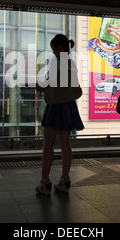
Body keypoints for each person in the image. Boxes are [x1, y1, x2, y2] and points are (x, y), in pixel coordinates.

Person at [35, 34, 84, 195]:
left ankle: (45, 182)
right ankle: (64, 179)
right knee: (65, 145)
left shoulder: (57, 62)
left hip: (56, 107)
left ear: (59, 48)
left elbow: (52, 84)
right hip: (68, 106)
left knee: (48, 145)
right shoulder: (71, 62)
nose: (53, 52)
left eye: (53, 49)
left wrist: (41, 86)